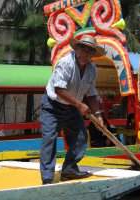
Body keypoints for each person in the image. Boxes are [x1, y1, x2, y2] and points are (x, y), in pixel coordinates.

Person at [40, 35, 105, 185]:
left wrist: (98, 115)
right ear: (76, 49)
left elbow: (91, 94)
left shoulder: (92, 70)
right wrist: (79, 105)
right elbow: (59, 90)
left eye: (90, 52)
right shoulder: (66, 63)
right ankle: (47, 179)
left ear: (93, 55)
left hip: (72, 107)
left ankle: (69, 170)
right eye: (83, 49)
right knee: (49, 140)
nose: (85, 54)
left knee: (81, 139)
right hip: (53, 106)